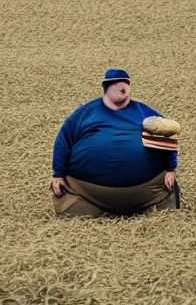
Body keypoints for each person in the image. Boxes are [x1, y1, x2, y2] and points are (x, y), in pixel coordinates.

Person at [51, 69, 180, 217]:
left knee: (164, 209)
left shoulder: (144, 111)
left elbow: (167, 136)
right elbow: (64, 139)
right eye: (117, 86)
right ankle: (90, 208)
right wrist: (58, 174)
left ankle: (155, 205)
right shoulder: (85, 112)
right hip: (88, 191)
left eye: (125, 86)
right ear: (106, 89)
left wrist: (171, 169)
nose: (123, 92)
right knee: (75, 209)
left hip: (147, 189)